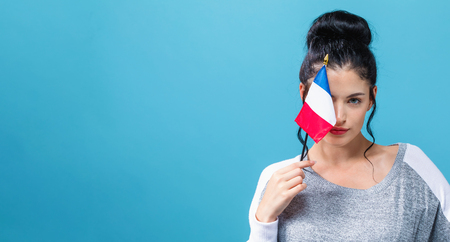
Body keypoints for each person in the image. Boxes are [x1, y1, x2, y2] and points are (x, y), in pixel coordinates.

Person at [247, 10, 450, 241]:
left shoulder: (411, 167)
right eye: (327, 99)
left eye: (354, 100)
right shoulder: (276, 178)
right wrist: (263, 219)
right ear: (304, 95)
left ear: (371, 98)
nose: (338, 117)